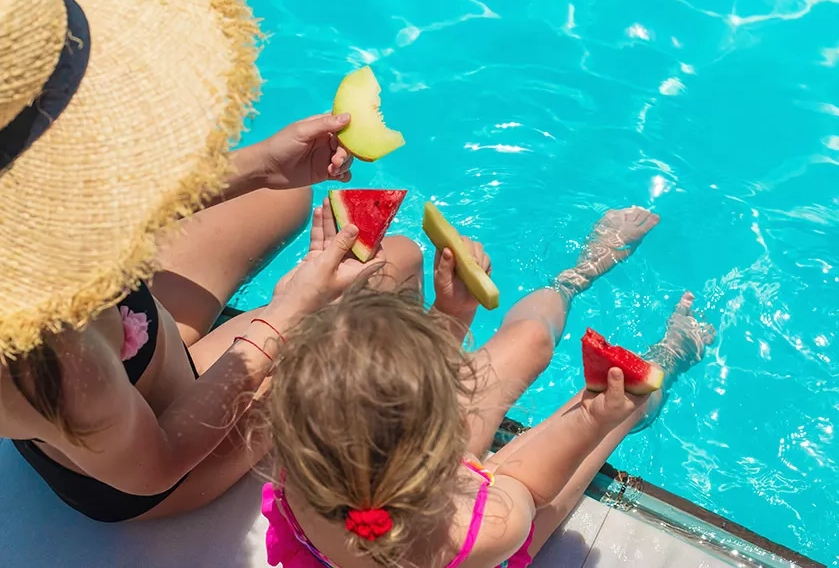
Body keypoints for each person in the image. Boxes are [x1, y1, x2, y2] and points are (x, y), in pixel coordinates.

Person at [0, 0, 421, 522]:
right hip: (164, 455)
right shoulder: (56, 360)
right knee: (396, 264)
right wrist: (290, 312)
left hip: (139, 357)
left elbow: (126, 213)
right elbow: (157, 463)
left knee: (281, 194)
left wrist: (264, 167)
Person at [261, 208, 712, 568]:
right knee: (619, 400)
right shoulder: (486, 530)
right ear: (445, 427)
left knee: (532, 339)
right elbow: (527, 486)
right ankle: (670, 355)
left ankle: (574, 278)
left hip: (409, 499)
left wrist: (451, 314)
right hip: (481, 531)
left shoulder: (303, 460)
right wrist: (592, 420)